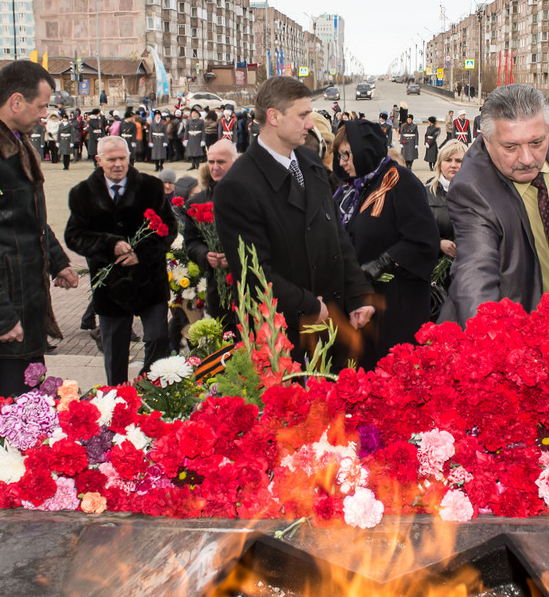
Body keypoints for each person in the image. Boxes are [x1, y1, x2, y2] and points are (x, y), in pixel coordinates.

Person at [213, 76, 374, 365]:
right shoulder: (238, 186)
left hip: (331, 324)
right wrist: (309, 305)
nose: (310, 124)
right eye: (302, 115)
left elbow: (337, 237)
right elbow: (253, 275)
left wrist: (358, 293)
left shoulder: (309, 162)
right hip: (286, 339)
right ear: (274, 117)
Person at [0, 60, 79, 400]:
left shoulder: (10, 138)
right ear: (17, 102)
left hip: (22, 302)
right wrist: (0, 317)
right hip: (1, 322)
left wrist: (56, 259)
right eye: (42, 106)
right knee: (8, 414)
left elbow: (26, 213)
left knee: (29, 407)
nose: (44, 115)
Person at [440, 84, 549, 326]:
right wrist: (488, 340)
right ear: (486, 140)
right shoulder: (472, 188)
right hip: (520, 327)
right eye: (511, 147)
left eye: (536, 143)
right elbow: (474, 271)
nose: (527, 159)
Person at [65, 136, 177, 386]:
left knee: (159, 337)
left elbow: (169, 228)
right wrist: (109, 245)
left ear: (129, 157)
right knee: (115, 352)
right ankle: (118, 399)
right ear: (98, 160)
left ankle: (149, 387)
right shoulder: (82, 194)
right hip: (110, 287)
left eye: (122, 158)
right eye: (111, 159)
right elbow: (74, 236)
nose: (118, 164)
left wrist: (141, 253)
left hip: (149, 280)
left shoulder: (151, 187)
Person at [333, 119, 438, 369]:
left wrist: (379, 264)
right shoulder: (357, 188)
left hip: (397, 307)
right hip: (366, 306)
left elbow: (424, 240)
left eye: (346, 154)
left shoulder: (400, 181)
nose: (342, 162)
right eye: (339, 156)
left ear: (364, 149)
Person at [182, 139, 239, 331]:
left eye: (221, 162)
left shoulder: (251, 196)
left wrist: (236, 257)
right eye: (211, 162)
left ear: (235, 162)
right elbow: (190, 243)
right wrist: (206, 255)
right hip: (217, 293)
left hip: (249, 289)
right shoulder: (197, 202)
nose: (215, 167)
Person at [426, 139, 466, 319]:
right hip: (436, 274)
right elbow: (413, 231)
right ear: (440, 163)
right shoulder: (426, 192)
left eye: (459, 161)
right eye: (448, 160)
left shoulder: (476, 193)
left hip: (466, 271)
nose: (453, 165)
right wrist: (437, 243)